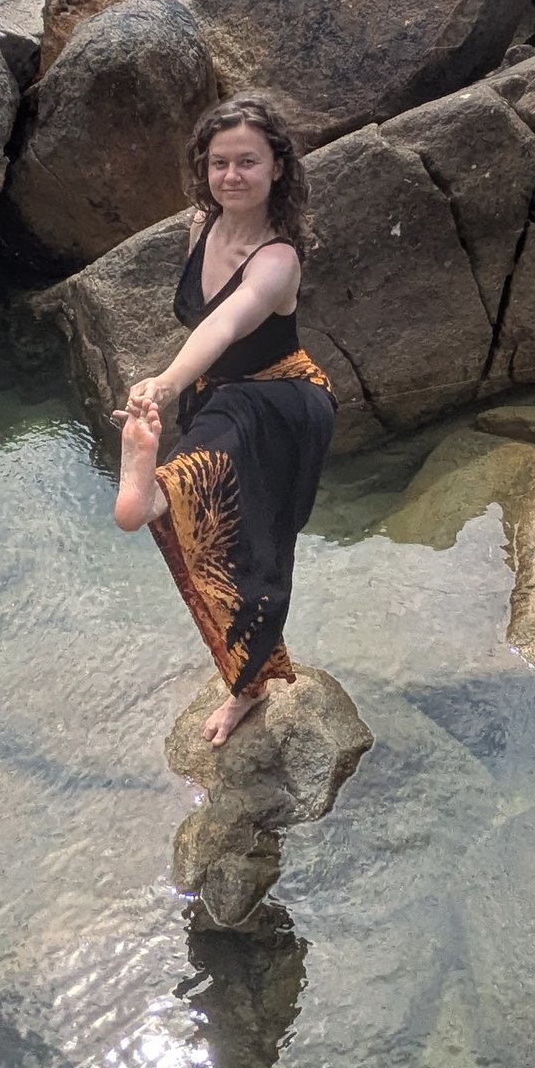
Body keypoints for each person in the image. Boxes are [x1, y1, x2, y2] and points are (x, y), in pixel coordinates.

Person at [114, 95, 335, 745]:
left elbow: (224, 325)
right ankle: (151, 494)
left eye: (247, 161)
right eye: (219, 163)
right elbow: (203, 326)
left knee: (251, 550)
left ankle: (247, 688)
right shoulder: (200, 227)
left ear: (277, 168)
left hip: (280, 402)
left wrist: (164, 381)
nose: (231, 175)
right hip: (221, 393)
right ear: (203, 168)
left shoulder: (278, 259)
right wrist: (181, 385)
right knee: (207, 540)